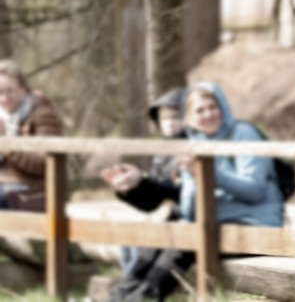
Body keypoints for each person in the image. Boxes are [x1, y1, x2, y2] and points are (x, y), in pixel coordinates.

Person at [104, 82, 284, 301]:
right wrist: (192, 177)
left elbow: (254, 190)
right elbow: (189, 210)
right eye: (200, 110)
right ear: (189, 118)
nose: (208, 114)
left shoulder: (243, 134)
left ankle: (142, 298)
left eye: (212, 107)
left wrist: (208, 174)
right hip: (213, 224)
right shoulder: (196, 144)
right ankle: (118, 297)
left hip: (255, 226)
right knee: (169, 232)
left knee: (185, 240)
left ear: (223, 107)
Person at [105, 87, 186, 275]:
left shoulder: (197, 145)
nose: (170, 124)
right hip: (172, 220)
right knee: (133, 239)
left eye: (176, 117)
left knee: (149, 245)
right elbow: (152, 202)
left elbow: (180, 189)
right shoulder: (162, 152)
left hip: (191, 221)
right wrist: (129, 189)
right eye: (164, 119)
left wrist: (143, 180)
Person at [0, 59, 63, 210]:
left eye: (10, 91)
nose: (5, 98)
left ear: (24, 89)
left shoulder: (43, 115)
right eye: (0, 92)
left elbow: (44, 164)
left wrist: (6, 142)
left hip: (32, 190)